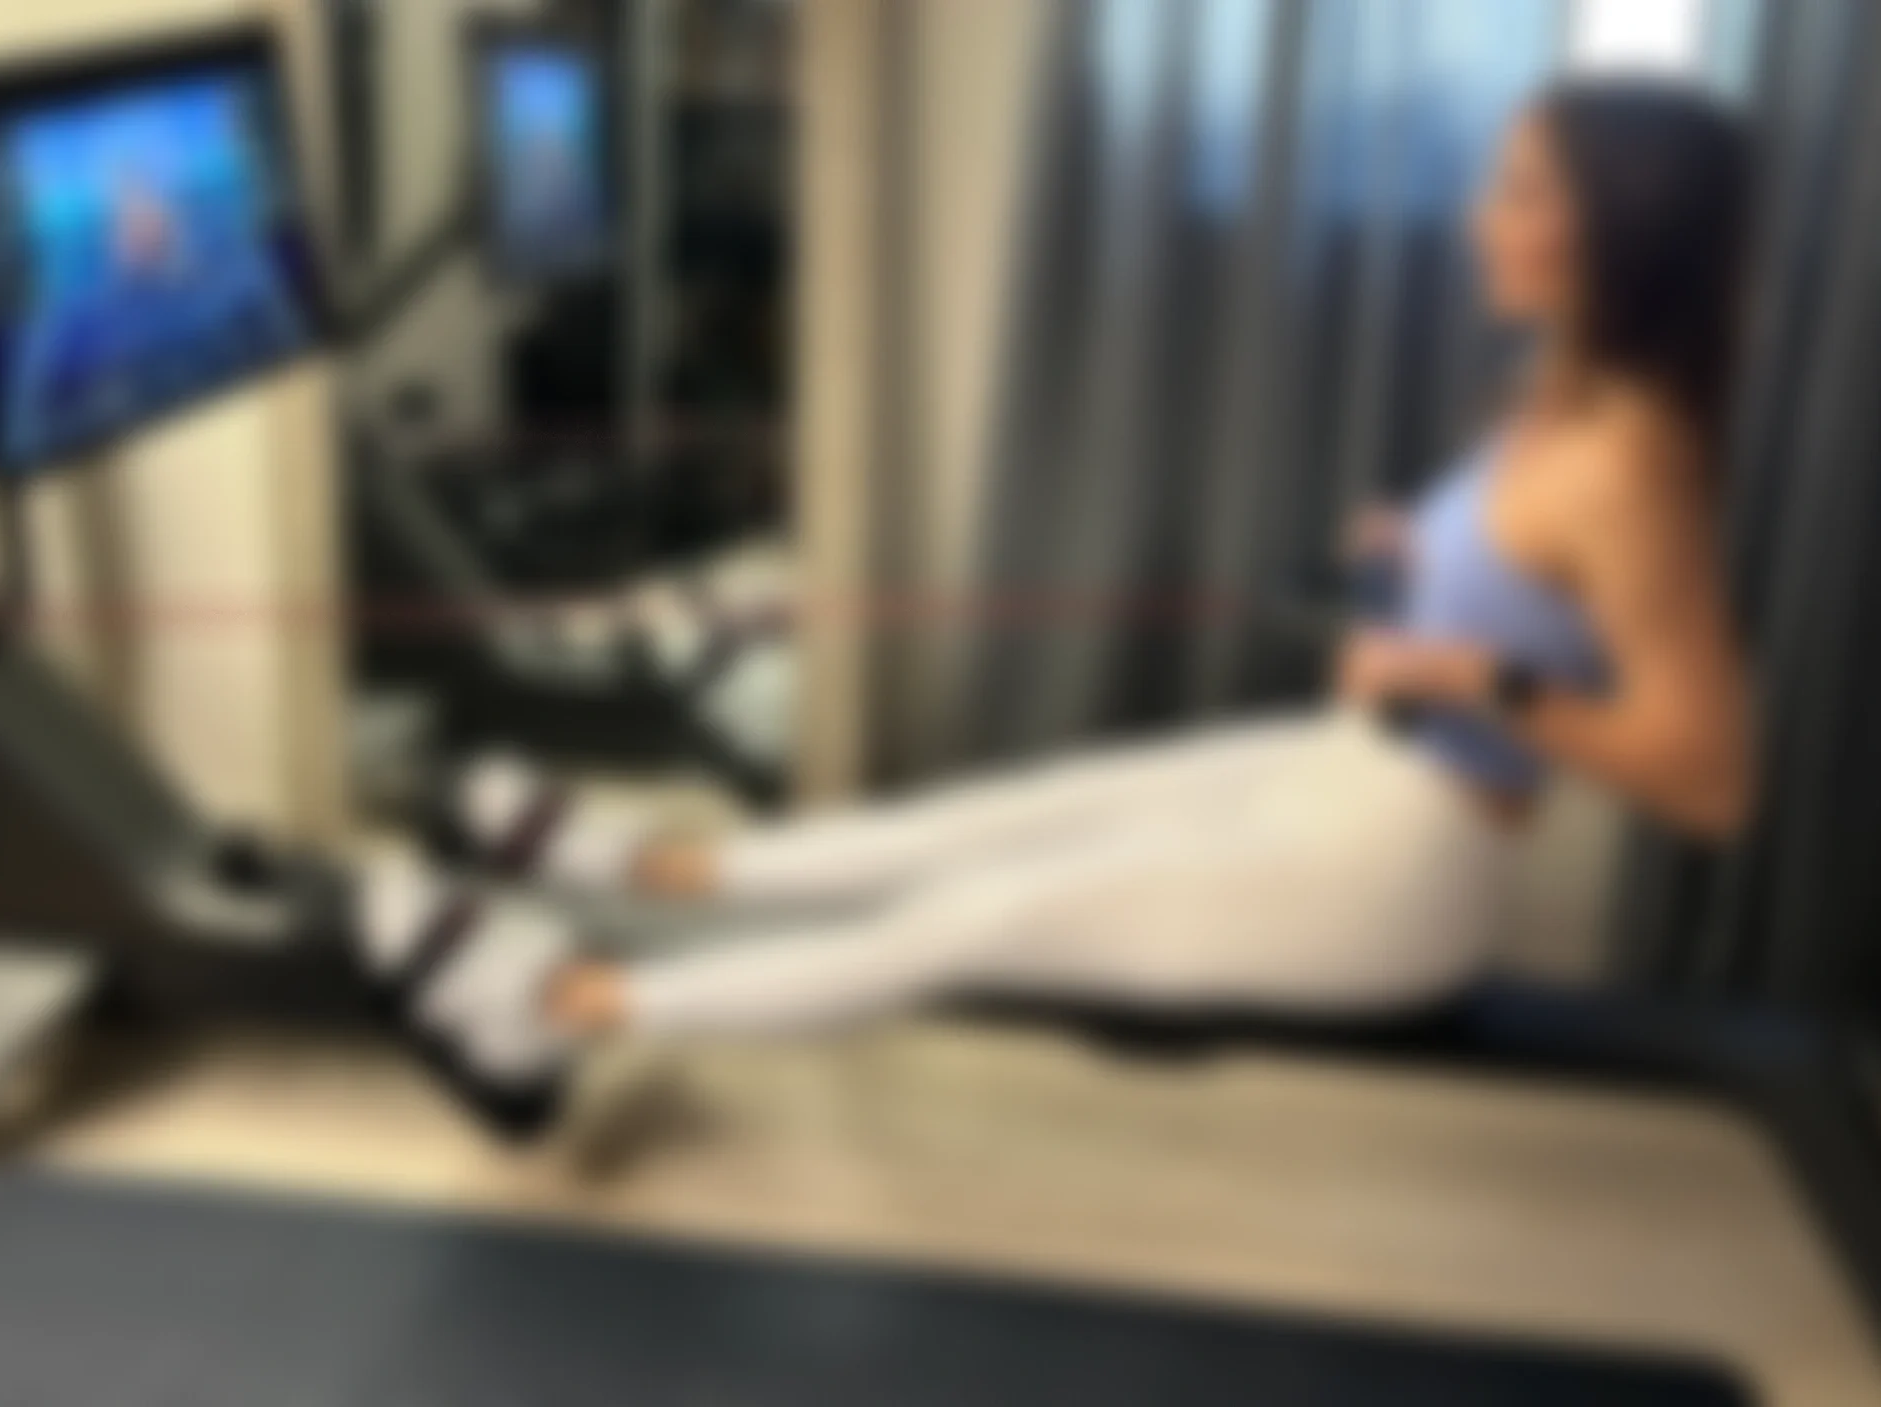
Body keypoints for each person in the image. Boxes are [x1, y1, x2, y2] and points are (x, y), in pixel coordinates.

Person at [360, 78, 1760, 1127]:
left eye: (1522, 193)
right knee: (983, 819)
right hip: (1353, 773)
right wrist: (1418, 555)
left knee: (972, 919)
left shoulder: (1634, 465)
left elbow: (1707, 780)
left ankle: (554, 1010)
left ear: (1616, 234)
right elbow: (1530, 586)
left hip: (1402, 876)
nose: (1482, 216)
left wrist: (1470, 677)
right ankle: (663, 869)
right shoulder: (1555, 395)